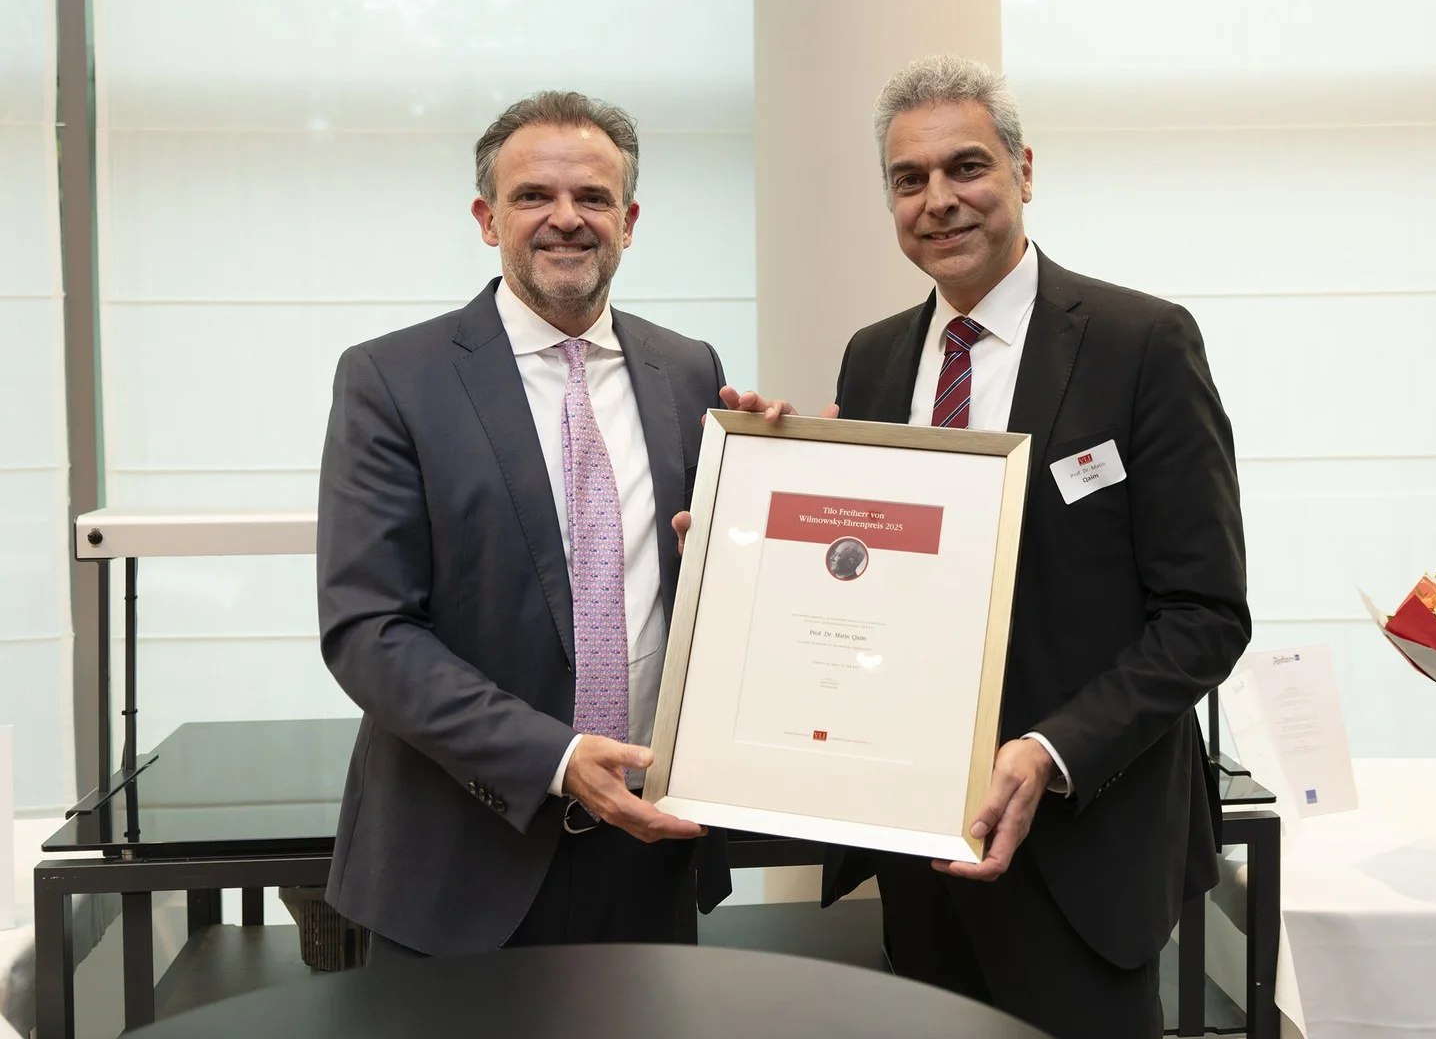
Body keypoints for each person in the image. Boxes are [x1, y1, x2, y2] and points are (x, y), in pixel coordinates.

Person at [727, 53, 1251, 1037]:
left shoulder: (1142, 343)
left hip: (1084, 847)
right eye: (908, 179)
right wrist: (747, 529)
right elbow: (866, 575)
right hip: (917, 843)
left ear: (1023, 171)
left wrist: (1050, 752)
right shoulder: (874, 357)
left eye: (965, 167)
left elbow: (1205, 615)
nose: (939, 200)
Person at [315, 90, 737, 962]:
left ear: (629, 221)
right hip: (460, 865)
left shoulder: (690, 371)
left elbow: (712, 581)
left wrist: (779, 488)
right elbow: (369, 630)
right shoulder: (392, 380)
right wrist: (556, 756)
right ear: (487, 218)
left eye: (593, 197)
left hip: (647, 849)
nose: (566, 218)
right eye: (534, 196)